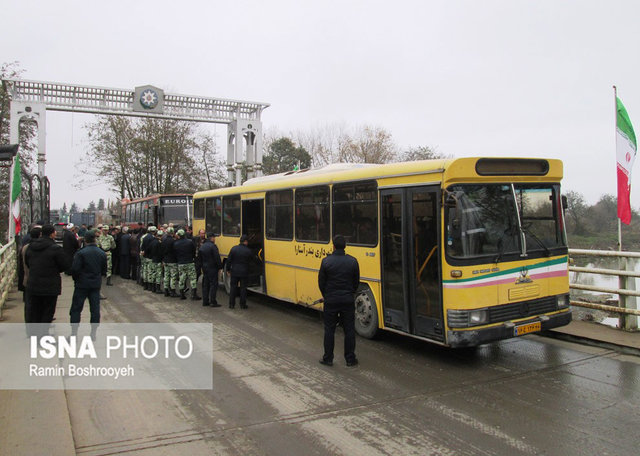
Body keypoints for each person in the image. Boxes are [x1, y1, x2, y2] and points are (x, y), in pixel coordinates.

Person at [317, 235, 360, 367]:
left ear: (333, 246)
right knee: (349, 330)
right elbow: (355, 282)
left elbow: (321, 282)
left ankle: (328, 358)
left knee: (329, 330)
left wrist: (327, 295)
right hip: (347, 300)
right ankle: (350, 359)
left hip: (331, 300)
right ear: (345, 246)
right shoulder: (353, 261)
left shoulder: (326, 261)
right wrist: (349, 293)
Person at [24, 224, 71, 324]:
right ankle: (44, 335)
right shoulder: (55, 249)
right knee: (48, 311)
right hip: (50, 285)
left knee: (35, 311)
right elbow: (65, 265)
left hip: (34, 283)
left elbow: (28, 262)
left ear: (41, 233)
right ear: (52, 234)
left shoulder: (31, 247)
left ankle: (35, 335)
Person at [69, 230, 107, 324]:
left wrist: (76, 279)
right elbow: (104, 270)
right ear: (95, 239)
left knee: (76, 309)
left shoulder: (80, 253)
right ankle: (93, 333)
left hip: (81, 284)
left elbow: (75, 269)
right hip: (95, 285)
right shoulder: (101, 253)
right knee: (95, 309)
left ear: (85, 240)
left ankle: (74, 333)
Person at [227, 234, 253, 309]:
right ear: (245, 242)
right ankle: (242, 304)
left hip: (234, 271)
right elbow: (252, 260)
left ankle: (231, 304)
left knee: (233, 288)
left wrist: (228, 269)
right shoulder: (248, 251)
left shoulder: (234, 249)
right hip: (244, 272)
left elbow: (229, 260)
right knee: (243, 289)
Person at [173, 229, 200, 300]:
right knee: (193, 278)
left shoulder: (176, 244)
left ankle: (182, 294)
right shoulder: (190, 242)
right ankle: (193, 294)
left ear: (178, 235)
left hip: (181, 263)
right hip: (189, 262)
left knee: (182, 278)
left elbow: (175, 253)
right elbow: (194, 251)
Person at [199, 232, 222, 307]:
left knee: (206, 285)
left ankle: (205, 301)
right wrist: (220, 267)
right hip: (212, 268)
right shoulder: (213, 246)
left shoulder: (202, 246)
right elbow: (217, 258)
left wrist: (202, 266)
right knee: (213, 285)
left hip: (205, 268)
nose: (214, 239)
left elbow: (200, 259)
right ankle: (213, 301)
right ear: (212, 238)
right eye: (214, 237)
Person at [161, 227, 179, 297]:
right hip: (172, 261)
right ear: (172, 233)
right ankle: (172, 291)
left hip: (165, 260)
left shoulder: (164, 240)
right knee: (173, 276)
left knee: (166, 275)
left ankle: (166, 290)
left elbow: (162, 250)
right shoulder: (174, 241)